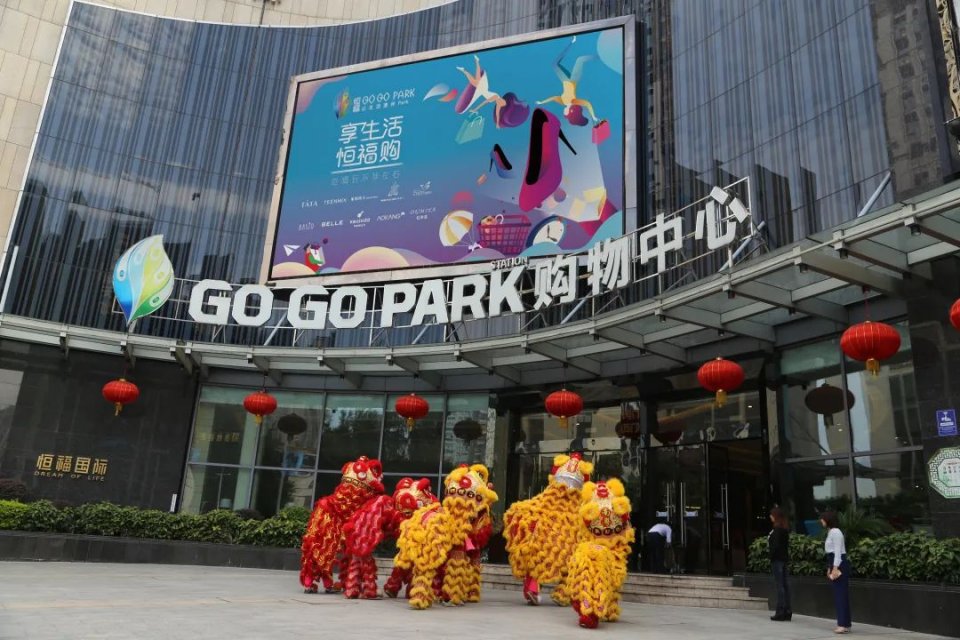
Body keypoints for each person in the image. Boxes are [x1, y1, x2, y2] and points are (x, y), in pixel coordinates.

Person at [537, 35, 599, 125]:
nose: (564, 114)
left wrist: (542, 102)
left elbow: (553, 98)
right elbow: (587, 104)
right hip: (574, 79)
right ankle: (598, 56)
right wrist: (593, 116)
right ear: (570, 112)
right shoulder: (573, 102)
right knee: (580, 59)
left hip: (564, 80)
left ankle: (571, 42)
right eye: (566, 114)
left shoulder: (562, 102)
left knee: (554, 64)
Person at [821, 511, 852, 634]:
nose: (821, 521)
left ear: (828, 519)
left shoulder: (835, 532)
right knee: (841, 594)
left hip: (839, 564)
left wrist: (835, 567)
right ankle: (846, 623)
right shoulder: (831, 532)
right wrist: (830, 567)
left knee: (840, 595)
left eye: (823, 519)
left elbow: (838, 552)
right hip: (835, 563)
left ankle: (842, 624)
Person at [768, 507, 792, 622]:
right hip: (784, 559)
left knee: (780, 586)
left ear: (775, 516)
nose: (770, 516)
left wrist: (771, 556)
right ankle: (787, 611)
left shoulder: (777, 530)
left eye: (772, 515)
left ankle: (780, 611)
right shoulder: (785, 529)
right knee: (785, 585)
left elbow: (775, 546)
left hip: (777, 560)